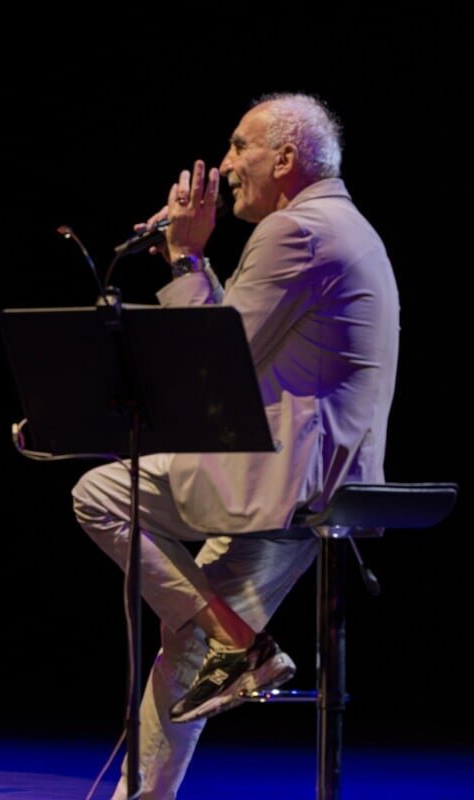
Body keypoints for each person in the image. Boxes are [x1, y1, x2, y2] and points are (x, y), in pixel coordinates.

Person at [71, 93, 399, 798]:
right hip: (302, 473)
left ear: (284, 158)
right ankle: (226, 640)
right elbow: (240, 342)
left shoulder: (298, 232)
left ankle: (240, 644)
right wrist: (190, 268)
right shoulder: (337, 226)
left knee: (99, 493)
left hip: (290, 485)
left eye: (238, 148)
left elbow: (211, 365)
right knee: (185, 653)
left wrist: (187, 255)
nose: (224, 166)